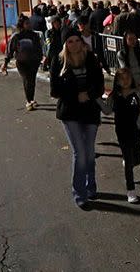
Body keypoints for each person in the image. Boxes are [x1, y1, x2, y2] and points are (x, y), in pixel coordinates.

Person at [50, 27, 105, 210]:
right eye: (70, 41)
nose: (73, 44)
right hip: (70, 112)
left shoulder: (90, 59)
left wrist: (87, 95)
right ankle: (79, 193)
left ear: (82, 42)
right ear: (65, 44)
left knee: (89, 152)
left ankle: (91, 185)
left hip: (90, 111)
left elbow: (100, 85)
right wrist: (76, 96)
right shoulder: (58, 61)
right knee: (79, 153)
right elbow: (55, 90)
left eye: (76, 40)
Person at [109, 67, 140, 204]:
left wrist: (139, 125)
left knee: (137, 160)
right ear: (117, 81)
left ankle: (129, 162)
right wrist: (97, 99)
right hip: (122, 132)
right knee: (128, 161)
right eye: (122, 79)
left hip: (135, 131)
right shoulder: (114, 96)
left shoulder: (137, 95)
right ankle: (131, 190)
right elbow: (107, 110)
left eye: (128, 78)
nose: (125, 81)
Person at [1, 15, 44, 111]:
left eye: (29, 23)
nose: (29, 25)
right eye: (27, 23)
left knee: (32, 81)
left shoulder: (34, 35)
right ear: (22, 25)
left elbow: (38, 48)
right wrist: (5, 63)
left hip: (34, 62)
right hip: (22, 63)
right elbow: (9, 50)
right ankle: (28, 101)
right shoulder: (16, 36)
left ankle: (32, 99)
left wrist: (41, 58)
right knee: (27, 80)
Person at [116, 31, 140, 131]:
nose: (133, 41)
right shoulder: (121, 54)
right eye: (130, 39)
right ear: (125, 41)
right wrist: (137, 72)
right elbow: (125, 69)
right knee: (132, 108)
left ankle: (138, 127)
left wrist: (139, 72)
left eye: (134, 39)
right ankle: (133, 128)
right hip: (129, 85)